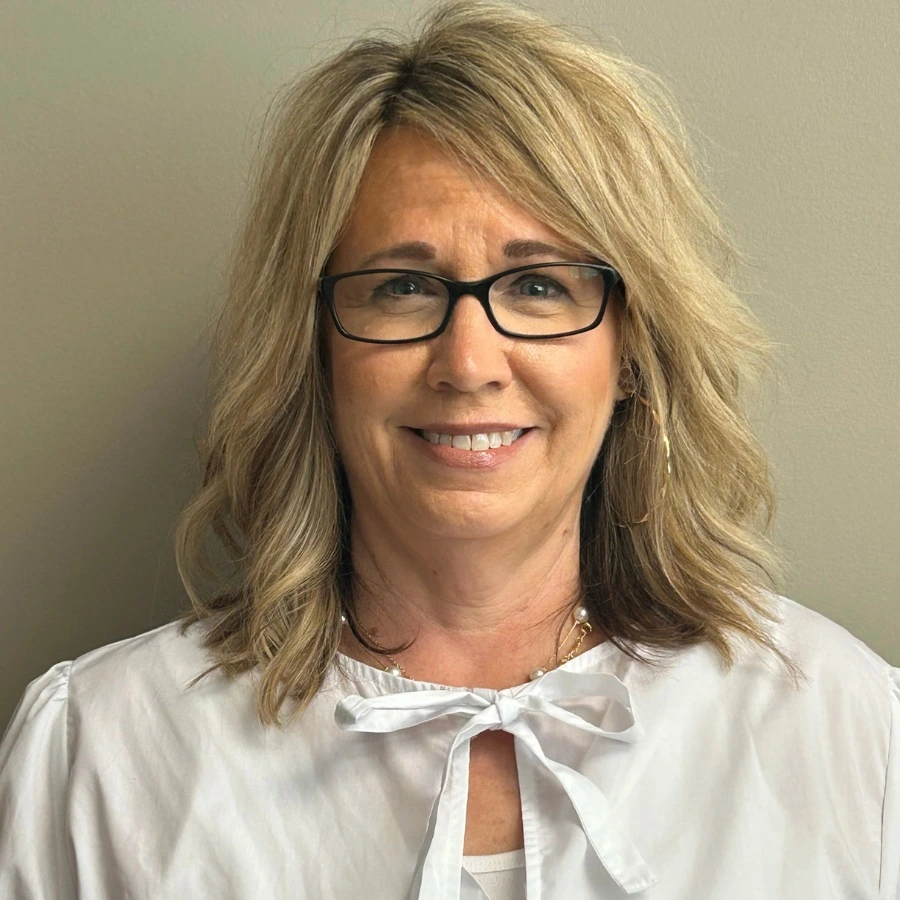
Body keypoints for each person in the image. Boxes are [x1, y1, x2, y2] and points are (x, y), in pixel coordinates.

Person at [1, 1, 897, 897]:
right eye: (401, 287)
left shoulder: (840, 727)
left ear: (631, 352)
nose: (468, 363)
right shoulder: (105, 751)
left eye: (540, 284)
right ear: (314, 345)